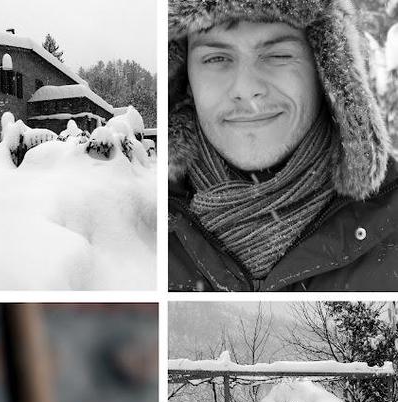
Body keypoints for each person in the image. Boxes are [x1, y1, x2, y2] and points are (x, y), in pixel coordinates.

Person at [168, 0, 398, 292]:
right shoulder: (145, 226)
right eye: (216, 58)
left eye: (277, 55)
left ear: (325, 70)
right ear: (184, 76)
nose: (246, 89)